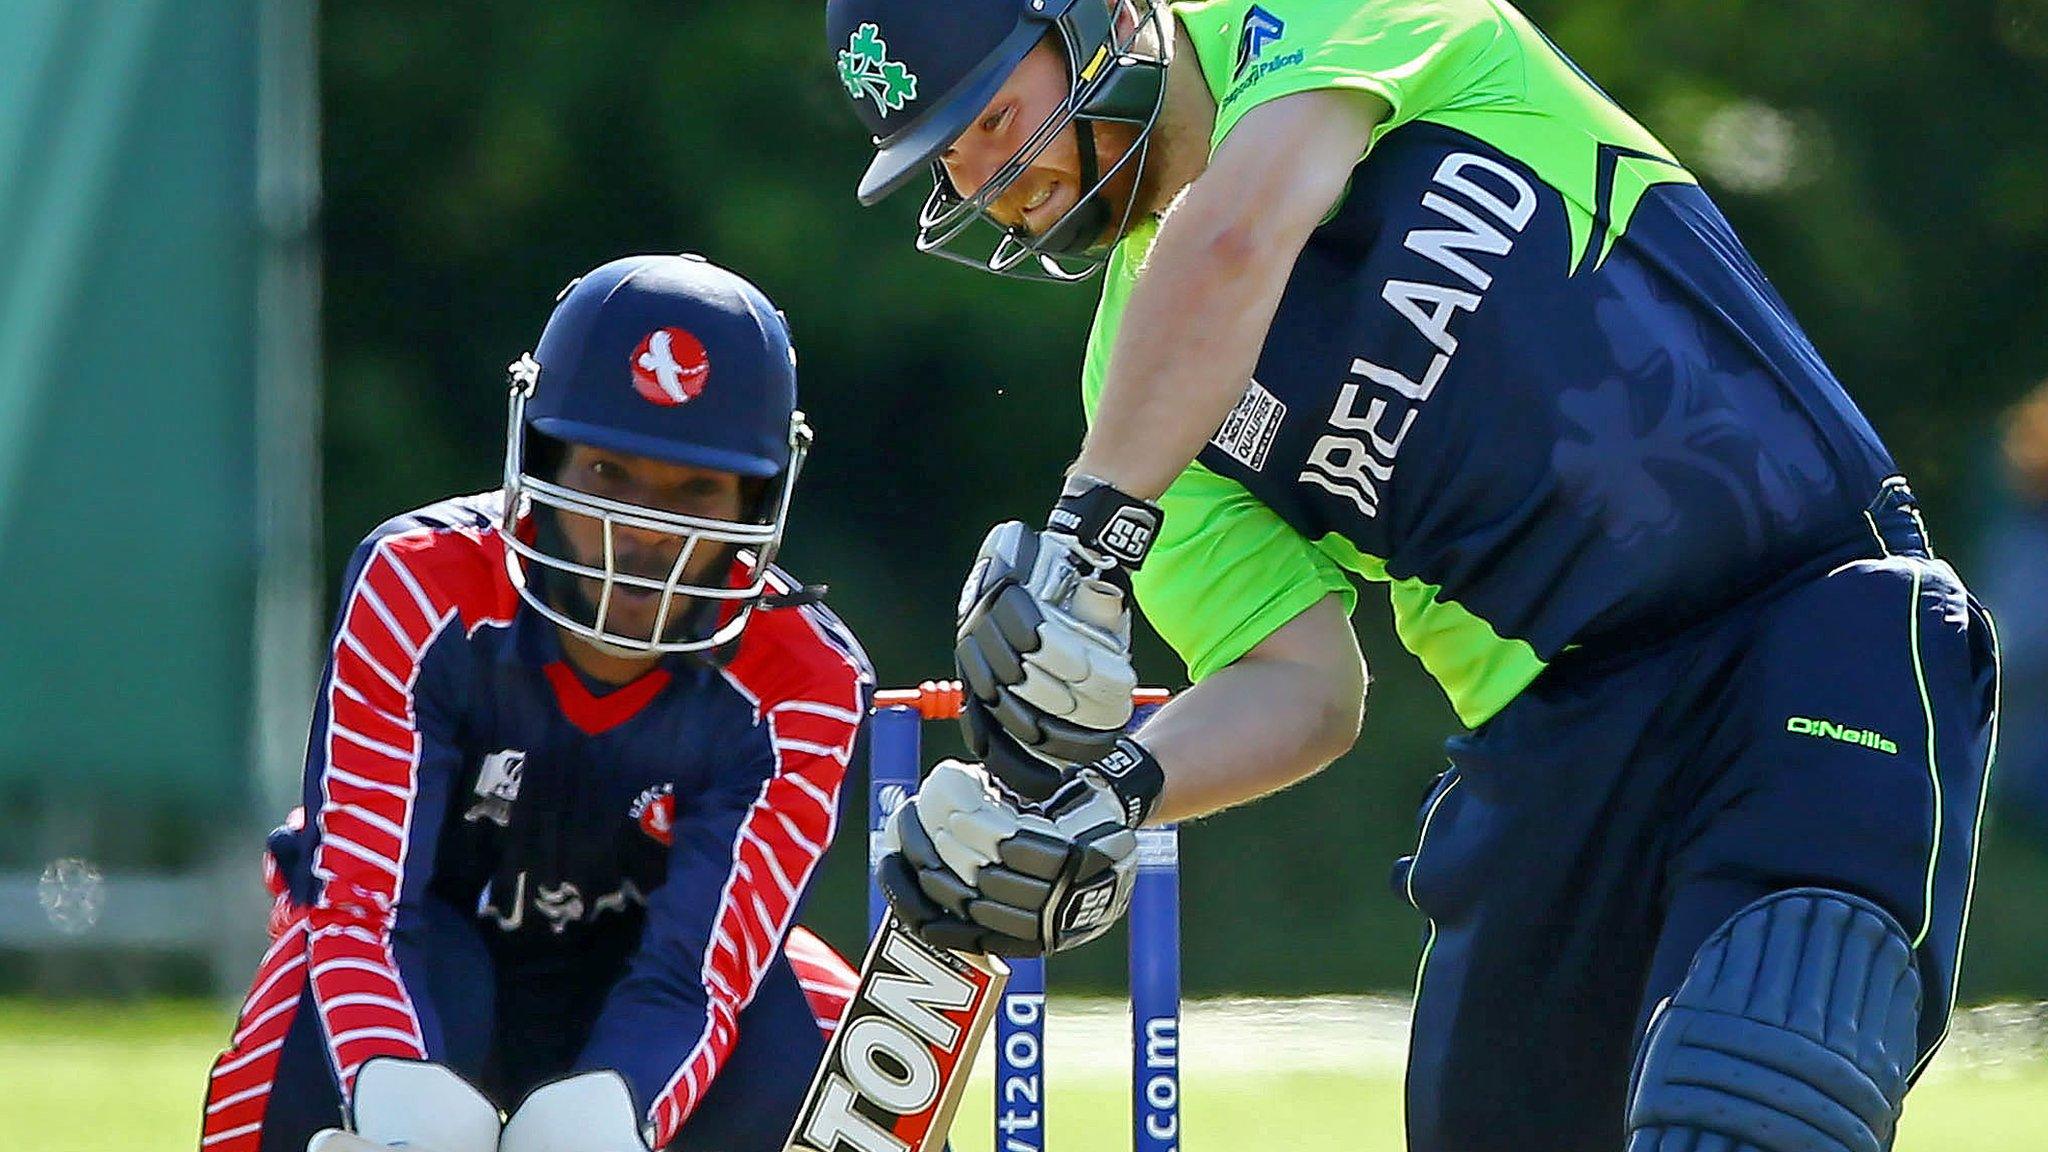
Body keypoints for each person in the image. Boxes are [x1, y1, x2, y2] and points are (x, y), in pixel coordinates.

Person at [827, 2, 2001, 1150]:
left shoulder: (1310, 21)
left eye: (992, 117)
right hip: (1550, 749)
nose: (990, 180)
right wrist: (1108, 801)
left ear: (1085, 20)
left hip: (1800, 616)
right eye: (949, 159)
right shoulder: (1137, 393)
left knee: (1751, 1097)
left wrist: (1088, 532)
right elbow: (1300, 686)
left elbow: (1235, 233)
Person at [199, 254, 874, 1152]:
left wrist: (613, 1117)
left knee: (839, 1054)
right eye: (608, 473)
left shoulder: (808, 675)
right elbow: (361, 904)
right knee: (294, 1007)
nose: (643, 529)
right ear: (540, 451)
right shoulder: (419, 583)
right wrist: (393, 1095)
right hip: (430, 960)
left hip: (655, 985)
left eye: (697, 489)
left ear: (760, 494)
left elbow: (704, 975)